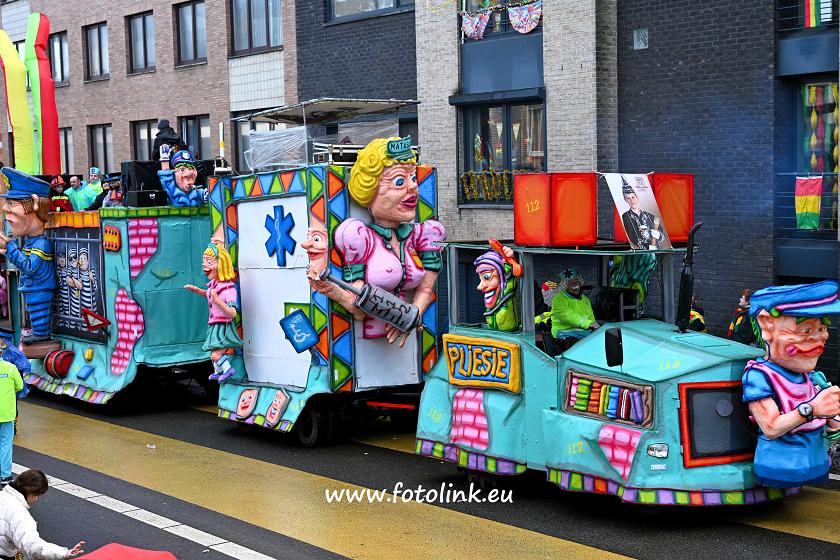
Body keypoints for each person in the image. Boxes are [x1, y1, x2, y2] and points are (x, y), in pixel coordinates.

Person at [309, 137, 445, 346]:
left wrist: (411, 317)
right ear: (370, 190)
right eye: (399, 182)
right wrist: (332, 290)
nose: (412, 187)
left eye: (413, 178)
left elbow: (426, 290)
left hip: (407, 348)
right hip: (364, 345)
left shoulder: (425, 234)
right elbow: (358, 308)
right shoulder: (358, 236)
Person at [742, 280, 840, 488]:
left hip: (815, 463)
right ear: (767, 326)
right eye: (806, 331)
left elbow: (832, 424)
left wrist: (833, 415)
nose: (820, 338)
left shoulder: (811, 376)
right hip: (780, 467)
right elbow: (770, 427)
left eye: (822, 328)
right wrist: (812, 409)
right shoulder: (759, 376)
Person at [0, 169, 56, 344]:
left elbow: (29, 267)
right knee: (33, 311)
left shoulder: (41, 244)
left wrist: (11, 247)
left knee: (39, 311)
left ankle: (41, 333)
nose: (5, 208)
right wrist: (8, 249)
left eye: (11, 203)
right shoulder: (31, 243)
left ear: (34, 203)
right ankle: (38, 332)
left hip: (40, 289)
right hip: (33, 288)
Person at [184, 243, 242, 382]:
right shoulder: (214, 285)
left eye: (209, 262)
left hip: (224, 328)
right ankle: (218, 371)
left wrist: (217, 301)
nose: (204, 265)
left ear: (221, 264)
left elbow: (233, 313)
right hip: (215, 326)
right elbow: (208, 294)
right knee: (213, 355)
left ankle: (228, 370)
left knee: (216, 355)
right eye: (204, 261)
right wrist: (196, 290)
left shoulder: (228, 288)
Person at [0, 469, 85, 559]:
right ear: (33, 494)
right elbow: (33, 547)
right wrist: (64, 553)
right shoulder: (20, 515)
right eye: (38, 496)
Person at [474, 243, 521, 332]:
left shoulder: (507, 282)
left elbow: (509, 274)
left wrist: (509, 260)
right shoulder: (491, 303)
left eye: (486, 277)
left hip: (508, 332)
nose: (479, 287)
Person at [550, 268, 599, 340]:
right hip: (564, 332)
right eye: (570, 283)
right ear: (565, 286)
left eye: (576, 281)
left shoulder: (585, 299)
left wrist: (595, 326)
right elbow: (567, 316)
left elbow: (591, 317)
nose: (574, 285)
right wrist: (588, 324)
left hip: (583, 332)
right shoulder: (559, 299)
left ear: (580, 282)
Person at [620, 180, 662, 250]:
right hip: (640, 251)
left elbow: (662, 235)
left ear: (637, 197)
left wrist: (658, 235)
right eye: (628, 198)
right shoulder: (626, 216)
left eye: (633, 197)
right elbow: (631, 236)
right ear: (625, 200)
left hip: (656, 250)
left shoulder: (650, 216)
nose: (631, 200)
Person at [0, 356, 22, 486]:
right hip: (6, 415)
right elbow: (20, 386)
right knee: (5, 444)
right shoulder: (10, 368)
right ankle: (5, 475)